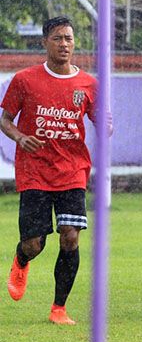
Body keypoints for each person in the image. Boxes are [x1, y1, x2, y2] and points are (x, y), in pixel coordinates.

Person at [2, 16, 99, 325]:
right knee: (35, 243)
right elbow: (4, 119)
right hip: (35, 171)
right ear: (45, 42)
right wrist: (20, 137)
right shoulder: (25, 80)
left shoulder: (88, 84)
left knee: (70, 238)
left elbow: (102, 121)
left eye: (69, 38)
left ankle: (59, 308)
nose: (64, 44)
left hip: (72, 170)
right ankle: (21, 259)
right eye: (58, 38)